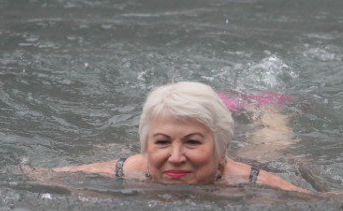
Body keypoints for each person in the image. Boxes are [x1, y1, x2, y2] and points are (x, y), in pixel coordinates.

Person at [53, 81, 315, 193]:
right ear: (145, 147)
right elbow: (40, 175)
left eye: (192, 142)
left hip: (251, 163)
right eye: (162, 142)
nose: (175, 158)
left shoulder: (256, 182)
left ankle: (268, 108)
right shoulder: (125, 170)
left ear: (223, 149)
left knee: (273, 145)